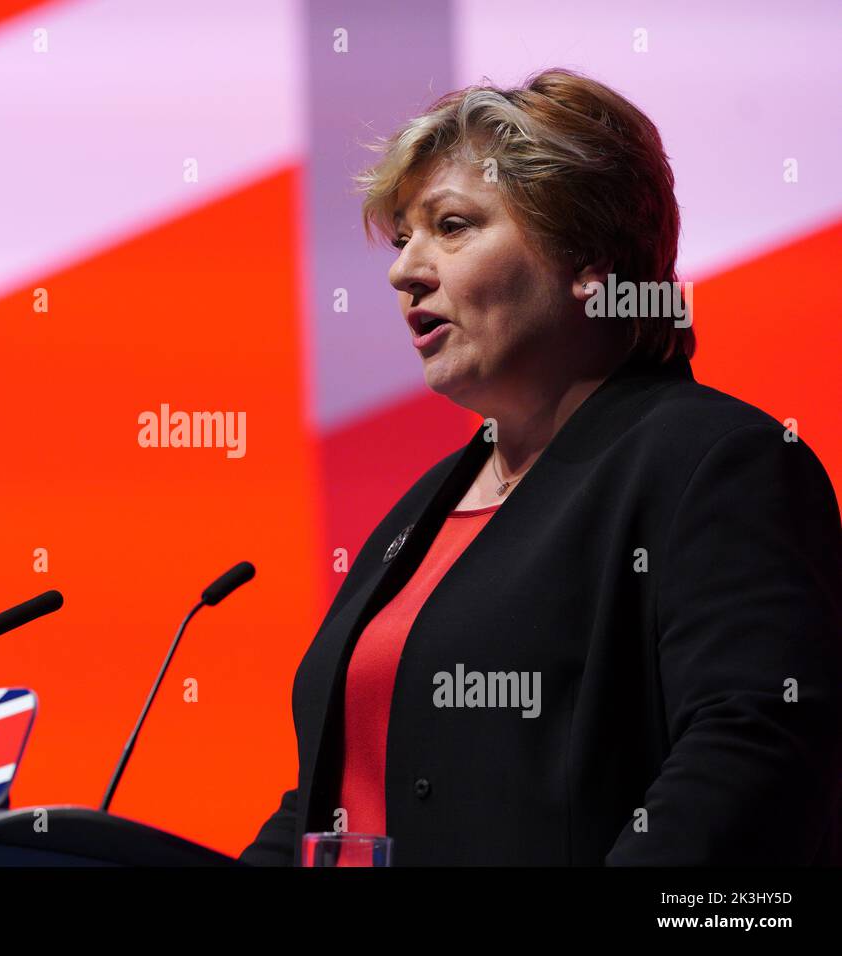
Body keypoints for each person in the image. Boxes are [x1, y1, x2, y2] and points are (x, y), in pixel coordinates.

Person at [240, 68, 842, 866]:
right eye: (402, 239)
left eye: (451, 227)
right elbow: (333, 797)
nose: (404, 271)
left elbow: (755, 749)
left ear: (589, 262)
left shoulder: (714, 462)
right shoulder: (421, 514)